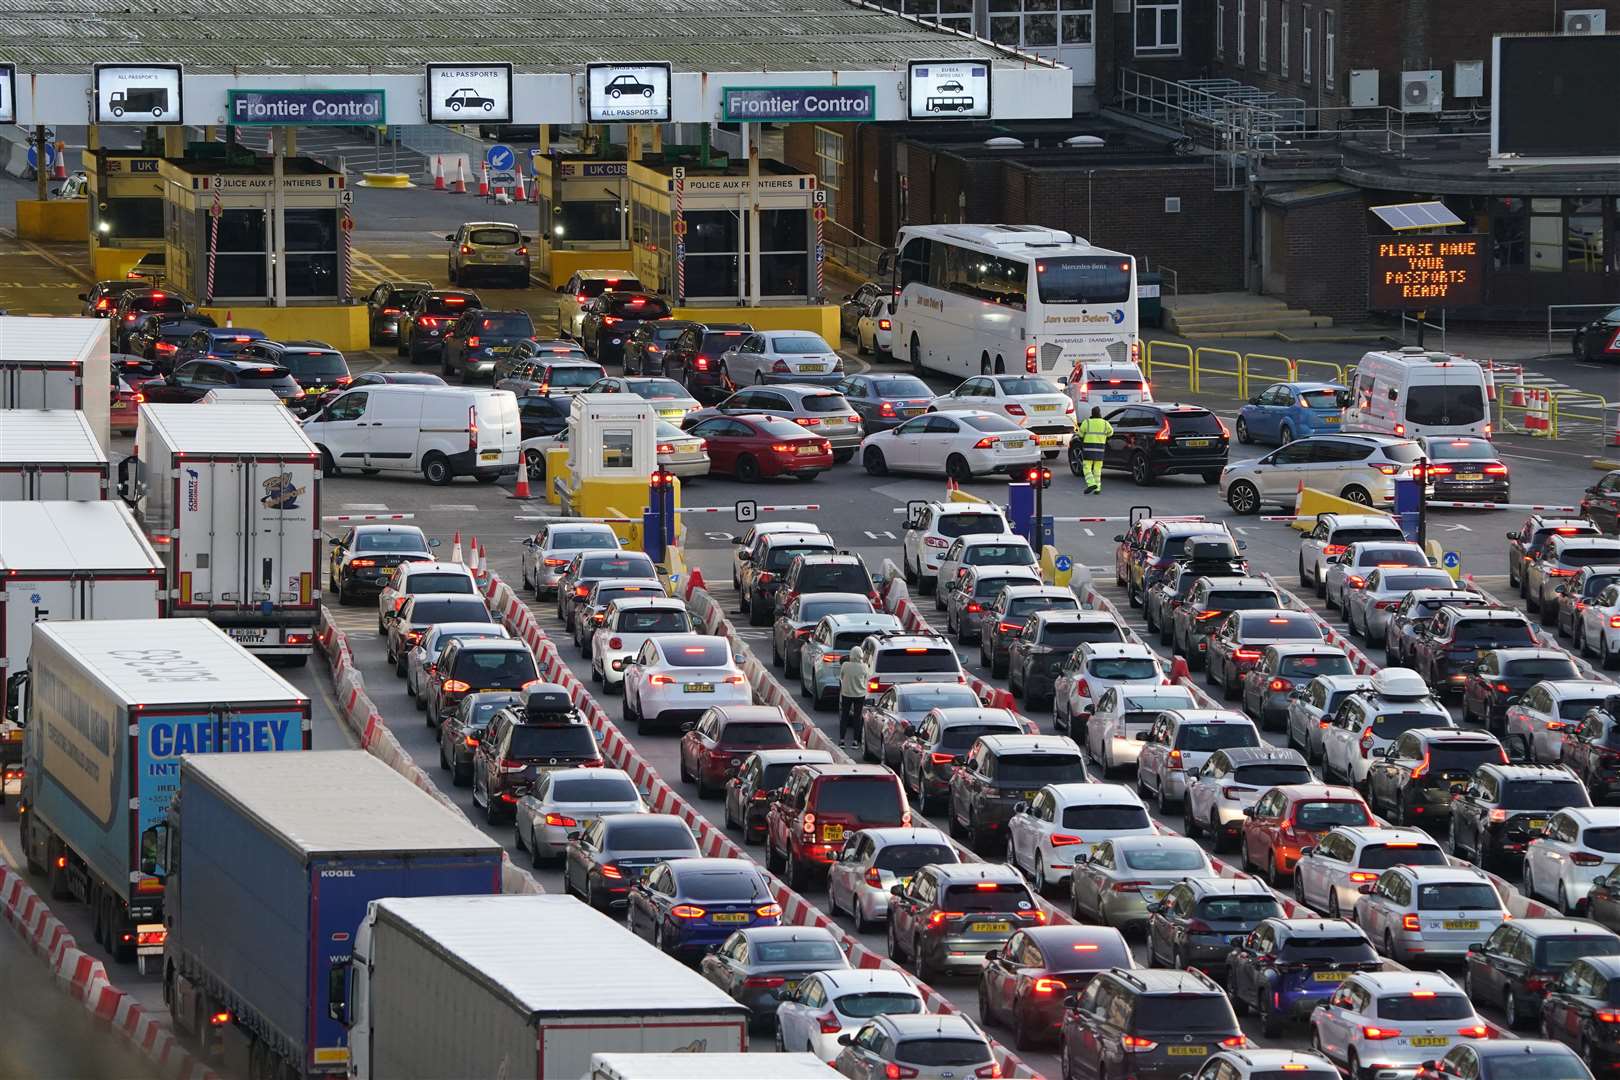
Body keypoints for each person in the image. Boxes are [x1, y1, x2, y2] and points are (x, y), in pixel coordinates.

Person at [838, 646, 872, 748]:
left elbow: (841, 676)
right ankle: (855, 741)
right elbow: (867, 678)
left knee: (844, 717)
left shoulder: (845, 665)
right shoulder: (864, 667)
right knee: (857, 718)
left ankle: (842, 740)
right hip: (860, 695)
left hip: (846, 693)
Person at [1076, 406, 1113, 494]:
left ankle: (1091, 484)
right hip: (1100, 450)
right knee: (1097, 470)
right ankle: (1098, 488)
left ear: (1092, 413)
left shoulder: (1087, 422)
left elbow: (1080, 434)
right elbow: (1111, 432)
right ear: (1100, 413)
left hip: (1088, 450)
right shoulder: (1105, 423)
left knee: (1087, 468)